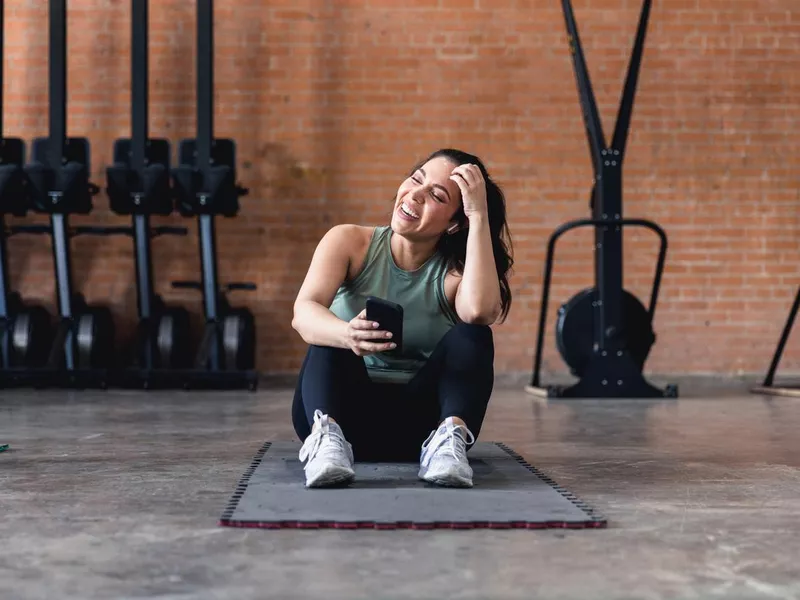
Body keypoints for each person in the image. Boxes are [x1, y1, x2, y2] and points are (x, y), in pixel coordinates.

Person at [290, 148, 514, 489]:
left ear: (455, 223)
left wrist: (479, 214)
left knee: (474, 334)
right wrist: (347, 334)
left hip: (419, 430)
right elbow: (303, 313)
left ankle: (447, 445)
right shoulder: (349, 241)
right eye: (416, 179)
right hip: (342, 415)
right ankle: (326, 446)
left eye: (437, 196)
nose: (416, 195)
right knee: (330, 336)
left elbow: (480, 311)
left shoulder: (455, 273)